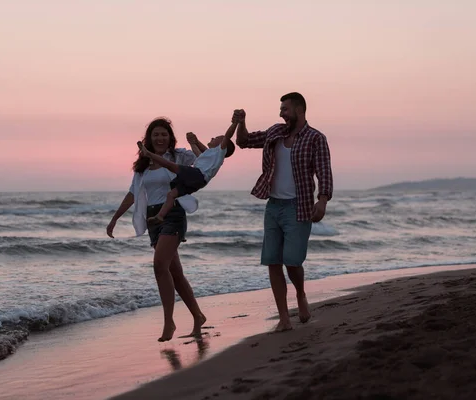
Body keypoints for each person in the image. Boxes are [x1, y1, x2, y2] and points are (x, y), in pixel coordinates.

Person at [234, 92, 333, 332]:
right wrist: (240, 122)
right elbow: (244, 141)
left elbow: (324, 172)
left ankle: (300, 294)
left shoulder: (315, 138)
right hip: (274, 206)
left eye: (285, 109)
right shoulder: (275, 132)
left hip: (299, 207)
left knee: (292, 261)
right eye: (280, 109)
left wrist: (322, 201)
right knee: (272, 261)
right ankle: (284, 318)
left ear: (299, 110)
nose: (281, 113)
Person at [106, 117, 206, 342]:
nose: (160, 138)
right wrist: (114, 219)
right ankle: (198, 316)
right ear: (148, 139)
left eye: (164, 134)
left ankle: (168, 321)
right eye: (156, 135)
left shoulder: (178, 156)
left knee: (160, 265)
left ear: (170, 137)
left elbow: (205, 161)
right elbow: (132, 194)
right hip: (153, 218)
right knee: (175, 273)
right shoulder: (142, 165)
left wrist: (195, 142)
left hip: (173, 214)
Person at [139, 121, 237, 225]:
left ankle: (149, 154)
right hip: (199, 180)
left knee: (170, 165)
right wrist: (194, 141)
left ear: (222, 145)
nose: (213, 138)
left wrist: (235, 122)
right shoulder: (211, 155)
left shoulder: (219, 152)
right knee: (171, 194)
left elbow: (228, 135)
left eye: (216, 138)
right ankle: (160, 216)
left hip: (197, 174)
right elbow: (199, 155)